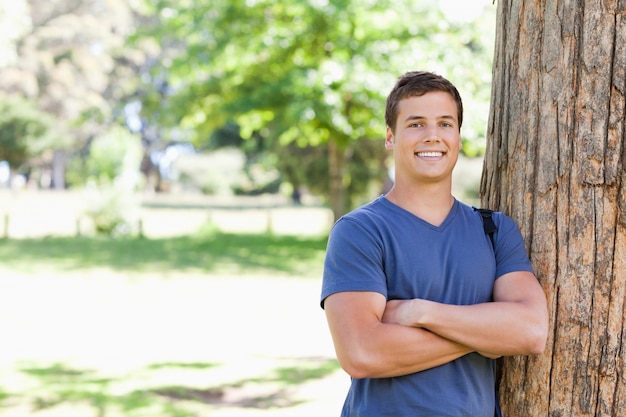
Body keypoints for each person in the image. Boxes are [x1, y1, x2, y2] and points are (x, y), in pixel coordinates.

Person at [320, 71, 549, 416]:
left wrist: (419, 312)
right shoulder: (360, 231)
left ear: (457, 135)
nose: (432, 136)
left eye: (445, 123)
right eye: (416, 124)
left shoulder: (494, 230)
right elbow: (361, 353)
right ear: (390, 136)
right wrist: (487, 337)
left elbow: (530, 332)